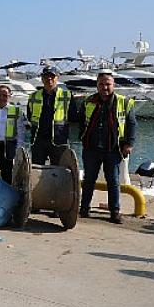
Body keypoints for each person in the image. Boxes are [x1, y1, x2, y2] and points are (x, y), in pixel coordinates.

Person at [79, 71, 137, 224]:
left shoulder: (124, 102)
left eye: (107, 84)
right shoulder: (89, 101)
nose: (104, 87)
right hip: (91, 148)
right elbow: (81, 121)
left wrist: (129, 144)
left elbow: (131, 124)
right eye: (101, 84)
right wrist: (82, 138)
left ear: (113, 85)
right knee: (89, 179)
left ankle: (115, 212)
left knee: (113, 181)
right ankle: (84, 208)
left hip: (113, 148)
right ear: (97, 85)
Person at [27, 66, 72, 165]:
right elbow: (30, 115)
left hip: (58, 140)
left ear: (57, 77)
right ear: (42, 78)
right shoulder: (33, 96)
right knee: (37, 169)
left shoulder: (67, 95)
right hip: (38, 140)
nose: (49, 79)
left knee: (58, 171)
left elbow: (73, 117)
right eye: (46, 76)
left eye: (52, 76)